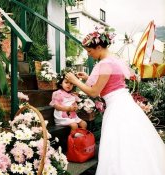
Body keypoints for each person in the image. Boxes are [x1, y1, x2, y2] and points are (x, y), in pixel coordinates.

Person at [65, 26, 165, 175]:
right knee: (131, 140)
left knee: (117, 143)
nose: (89, 55)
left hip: (117, 107)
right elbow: (111, 82)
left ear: (99, 47)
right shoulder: (114, 60)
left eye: (90, 51)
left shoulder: (105, 64)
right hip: (124, 103)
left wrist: (75, 80)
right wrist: (86, 78)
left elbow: (94, 92)